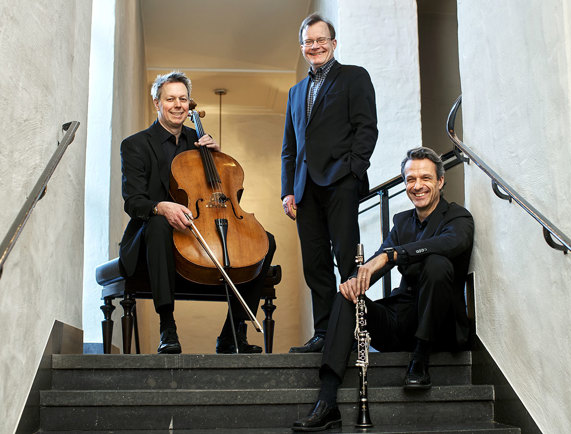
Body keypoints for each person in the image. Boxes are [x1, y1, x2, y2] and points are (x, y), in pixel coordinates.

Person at [291, 147, 474, 431]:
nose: (417, 186)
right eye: (410, 179)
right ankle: (327, 402)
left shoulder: (458, 218)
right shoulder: (401, 222)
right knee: (348, 293)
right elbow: (379, 260)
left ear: (440, 181)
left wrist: (394, 254)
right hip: (402, 321)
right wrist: (356, 280)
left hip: (439, 328)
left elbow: (450, 244)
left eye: (425, 178)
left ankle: (419, 360)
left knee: (437, 263)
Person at [119, 71, 275, 354]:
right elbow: (133, 201)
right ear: (157, 103)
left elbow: (227, 195)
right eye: (170, 99)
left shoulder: (199, 142)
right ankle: (168, 327)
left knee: (267, 240)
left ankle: (232, 333)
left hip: (197, 229)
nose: (178, 105)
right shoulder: (136, 145)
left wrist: (218, 159)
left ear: (190, 104)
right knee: (158, 225)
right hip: (155, 237)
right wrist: (161, 207)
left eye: (183, 99)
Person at [281, 13, 378, 353]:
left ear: (333, 44)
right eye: (309, 41)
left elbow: (367, 128)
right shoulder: (295, 92)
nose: (315, 46)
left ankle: (351, 332)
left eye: (321, 40)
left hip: (341, 182)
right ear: (302, 47)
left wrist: (353, 170)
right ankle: (323, 333)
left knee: (346, 259)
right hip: (305, 190)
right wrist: (287, 190)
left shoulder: (354, 77)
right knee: (315, 264)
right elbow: (289, 148)